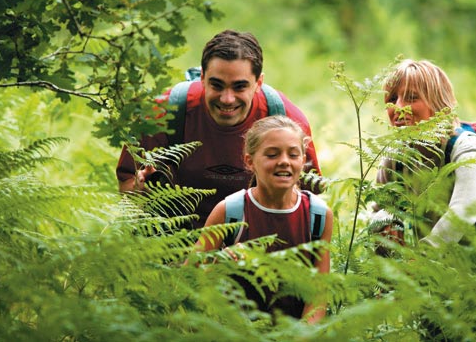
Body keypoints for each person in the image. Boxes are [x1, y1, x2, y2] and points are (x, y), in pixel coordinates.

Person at [116, 29, 322, 229]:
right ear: (202, 78)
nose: (227, 99)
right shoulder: (162, 114)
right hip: (174, 239)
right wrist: (139, 191)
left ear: (258, 83)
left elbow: (309, 201)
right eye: (217, 85)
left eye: (239, 87)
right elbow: (127, 184)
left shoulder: (287, 121)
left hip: (254, 242)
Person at [194, 115, 333, 323]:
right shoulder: (230, 211)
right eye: (272, 154)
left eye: (293, 155)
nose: (284, 161)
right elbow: (189, 279)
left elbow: (319, 295)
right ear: (250, 161)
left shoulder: (318, 215)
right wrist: (218, 266)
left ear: (303, 161)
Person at [371, 59, 476, 247]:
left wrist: (423, 258)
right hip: (436, 267)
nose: (398, 108)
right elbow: (377, 211)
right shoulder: (396, 157)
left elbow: (463, 214)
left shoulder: (469, 151)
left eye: (411, 98)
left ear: (438, 103)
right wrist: (384, 224)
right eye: (392, 99)